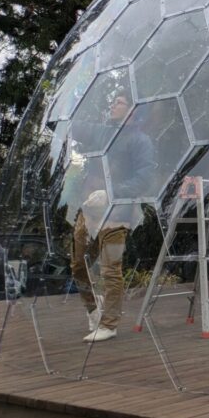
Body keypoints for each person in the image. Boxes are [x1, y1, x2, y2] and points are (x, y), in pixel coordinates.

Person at [69, 92, 155, 343]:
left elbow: (144, 178)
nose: (113, 105)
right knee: (77, 265)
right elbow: (74, 127)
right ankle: (93, 309)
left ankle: (109, 324)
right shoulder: (102, 132)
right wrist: (65, 108)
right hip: (89, 212)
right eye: (114, 101)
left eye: (119, 102)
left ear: (132, 110)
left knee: (110, 270)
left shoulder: (140, 141)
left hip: (117, 216)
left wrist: (111, 193)